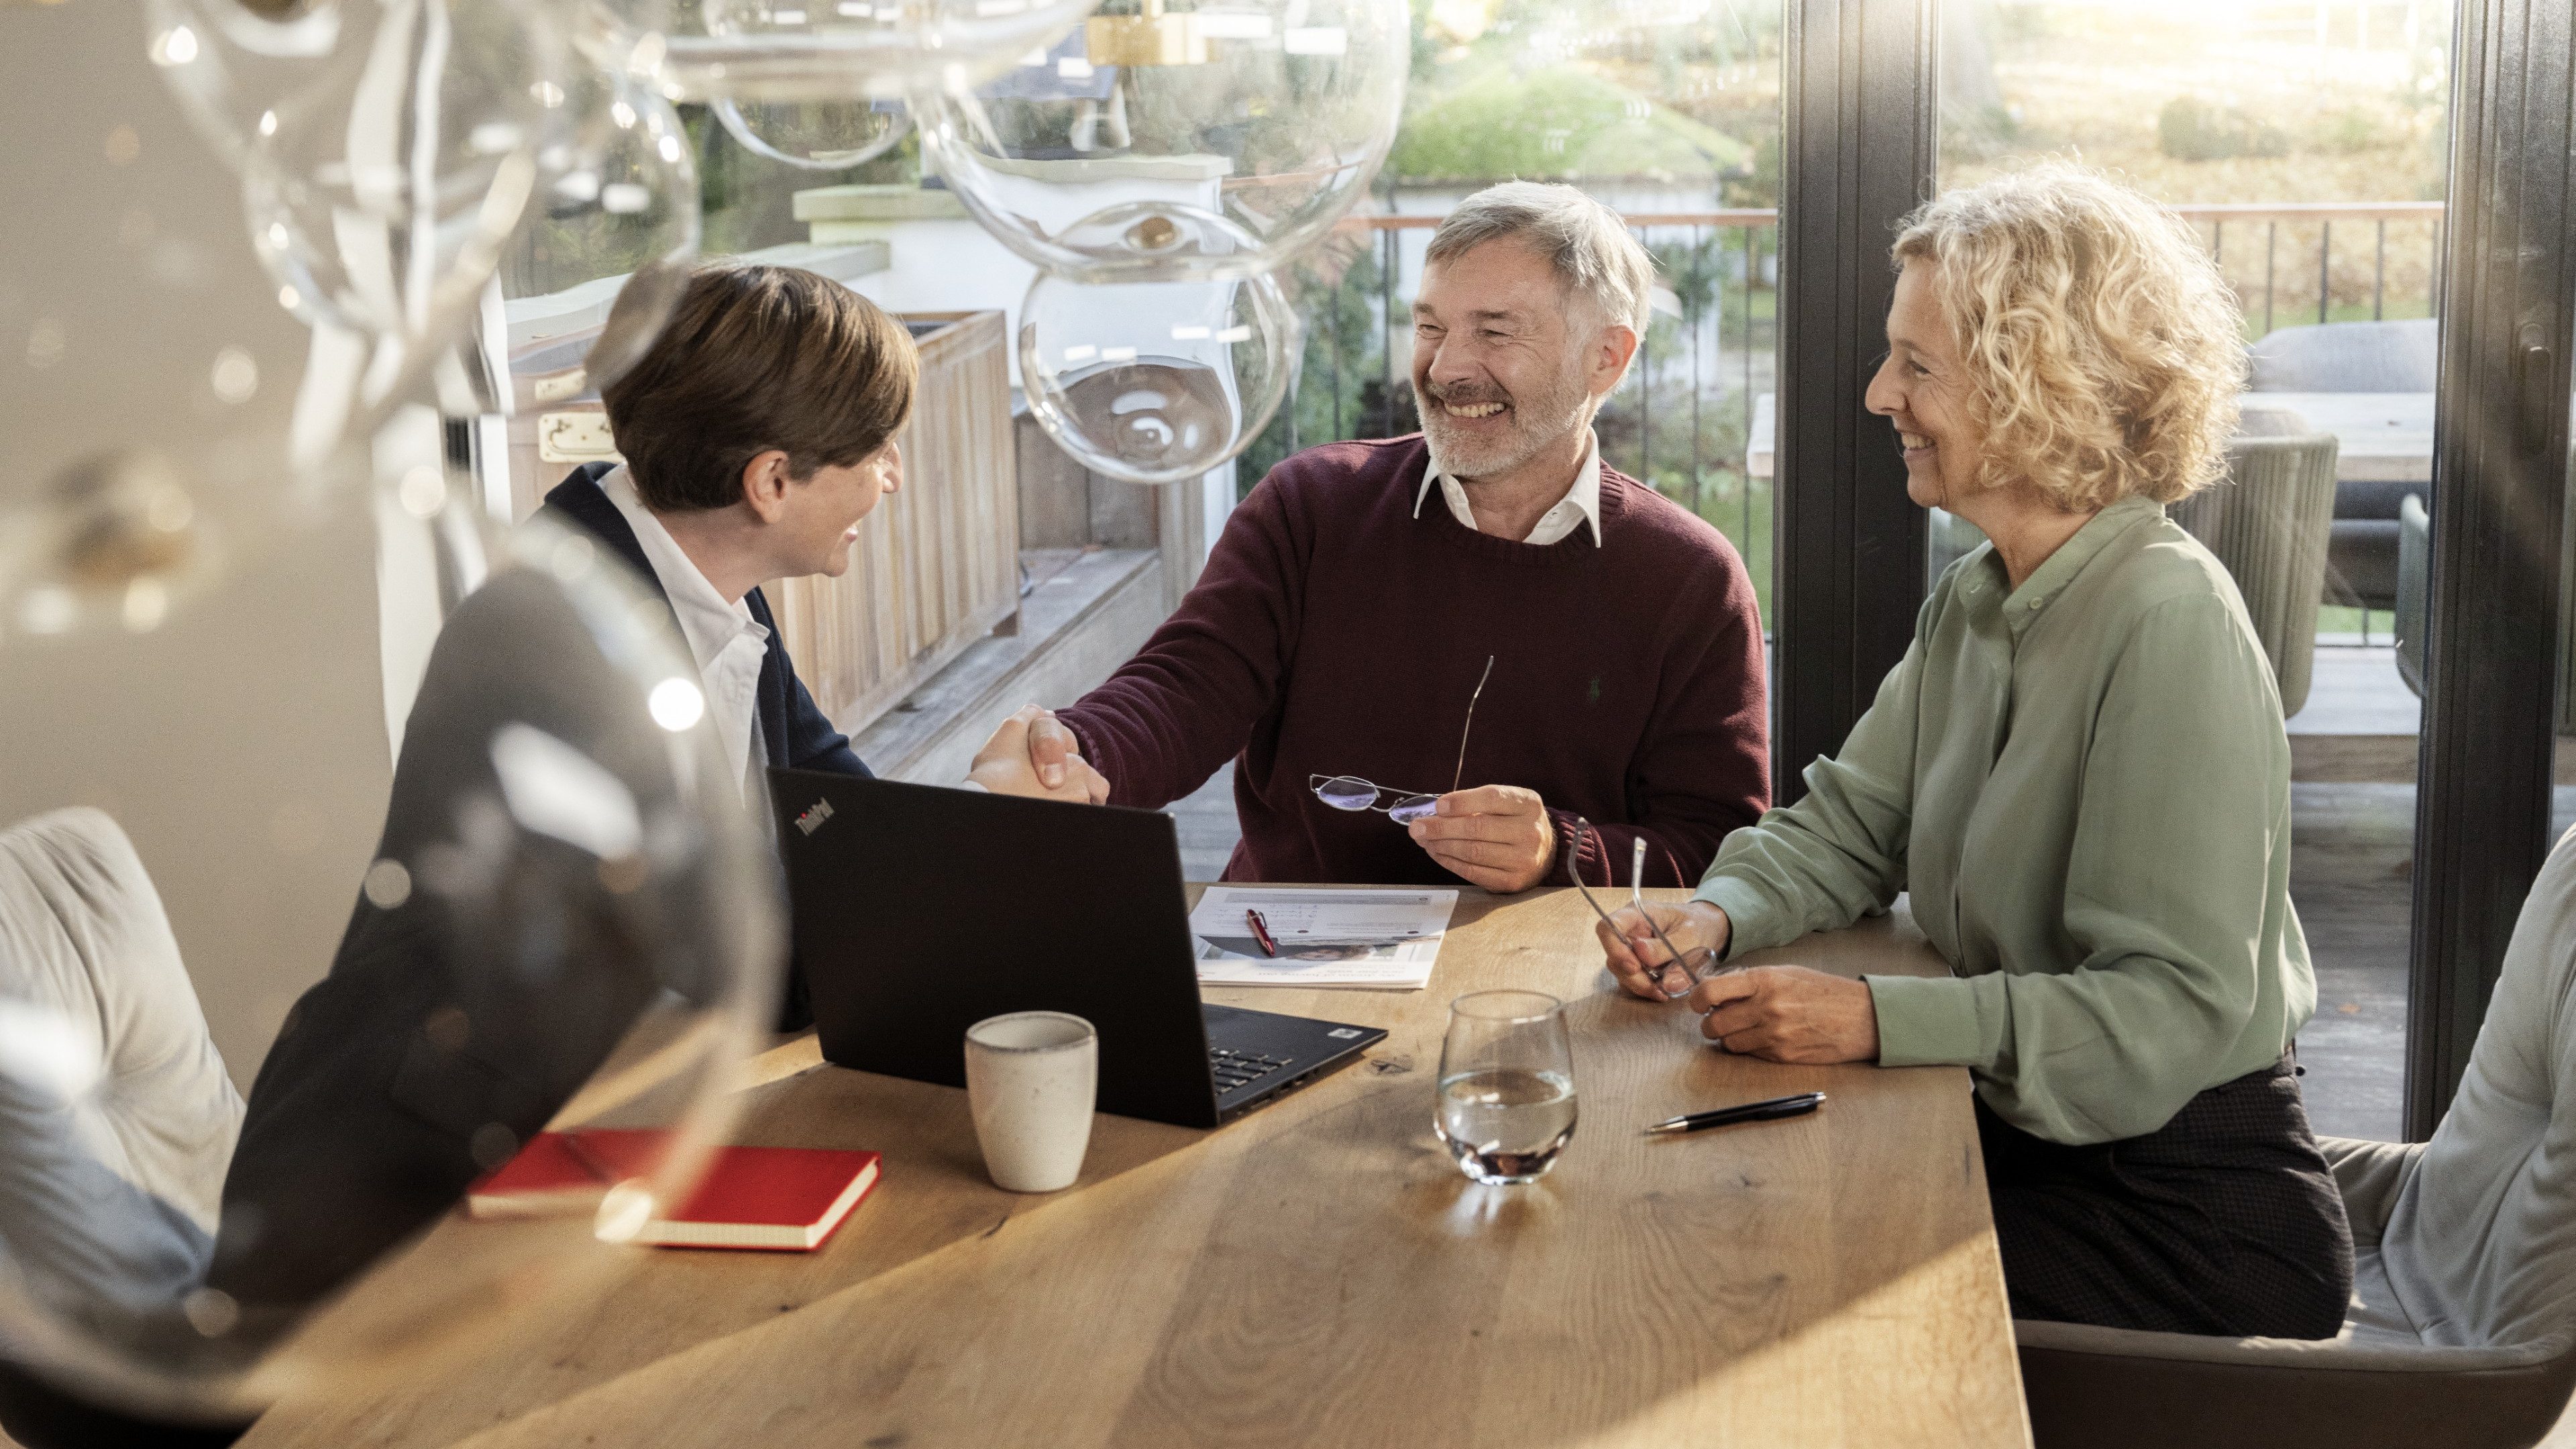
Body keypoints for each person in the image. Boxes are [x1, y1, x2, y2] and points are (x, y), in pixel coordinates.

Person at [208, 264, 1080, 1319]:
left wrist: (991, 823)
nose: (894, 479)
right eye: (876, 453)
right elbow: (723, 967)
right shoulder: (558, 650)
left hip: (574, 1152)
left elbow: (842, 839)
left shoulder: (690, 588)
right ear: (769, 483)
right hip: (403, 1211)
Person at [1597, 166, 2355, 1339]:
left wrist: (1875, 1020)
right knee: (1699, 1207)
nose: (1875, 393)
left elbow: (2168, 1011)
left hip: (2186, 1213)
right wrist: (1716, 915)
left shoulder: (2169, 624)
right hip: (2029, 1131)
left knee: (1759, 1266)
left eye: (1917, 364)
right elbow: (1852, 826)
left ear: (2034, 379)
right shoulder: (1982, 595)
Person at [991, 182, 1770, 891]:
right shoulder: (1312, 506)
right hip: (1284, 951)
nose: (1445, 368)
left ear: (1607, 357)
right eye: (1430, 327)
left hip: (1540, 989)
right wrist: (1080, 750)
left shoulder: (1691, 579)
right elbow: (1189, 683)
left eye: (1495, 332)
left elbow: (1719, 845)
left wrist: (1561, 850)